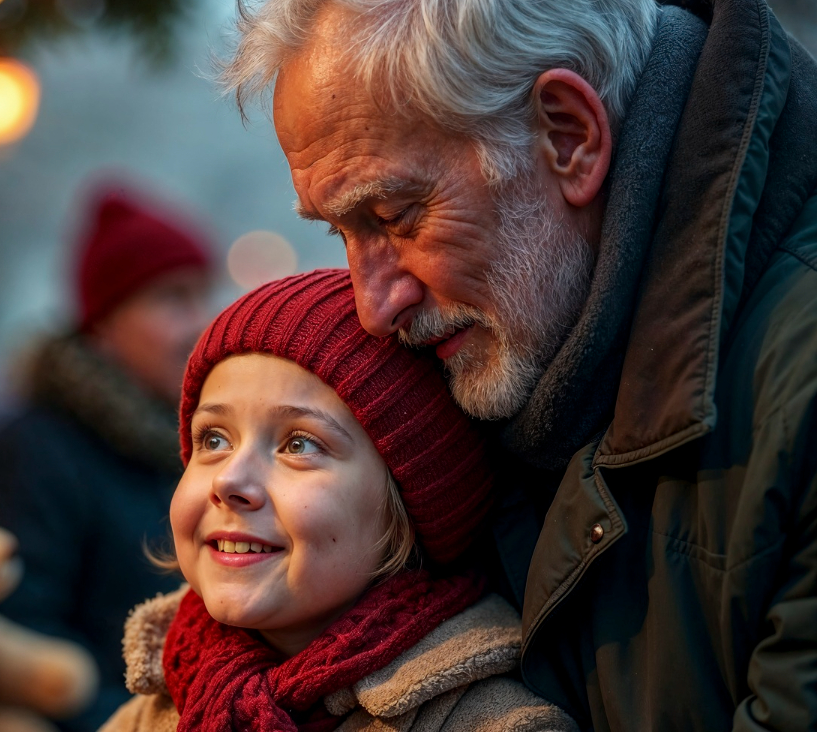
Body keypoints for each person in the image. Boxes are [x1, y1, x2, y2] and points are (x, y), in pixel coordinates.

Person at [220, 0, 817, 728]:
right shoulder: (501, 354)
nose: (374, 305)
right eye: (340, 234)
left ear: (569, 135)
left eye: (393, 217)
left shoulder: (796, 383)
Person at [103, 269, 573, 731]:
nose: (229, 480)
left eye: (299, 445)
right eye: (213, 440)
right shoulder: (146, 715)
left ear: (406, 511)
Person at [0, 179, 211, 731]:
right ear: (102, 324)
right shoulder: (33, 454)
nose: (199, 321)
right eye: (172, 298)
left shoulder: (174, 443)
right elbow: (19, 641)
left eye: (201, 293)